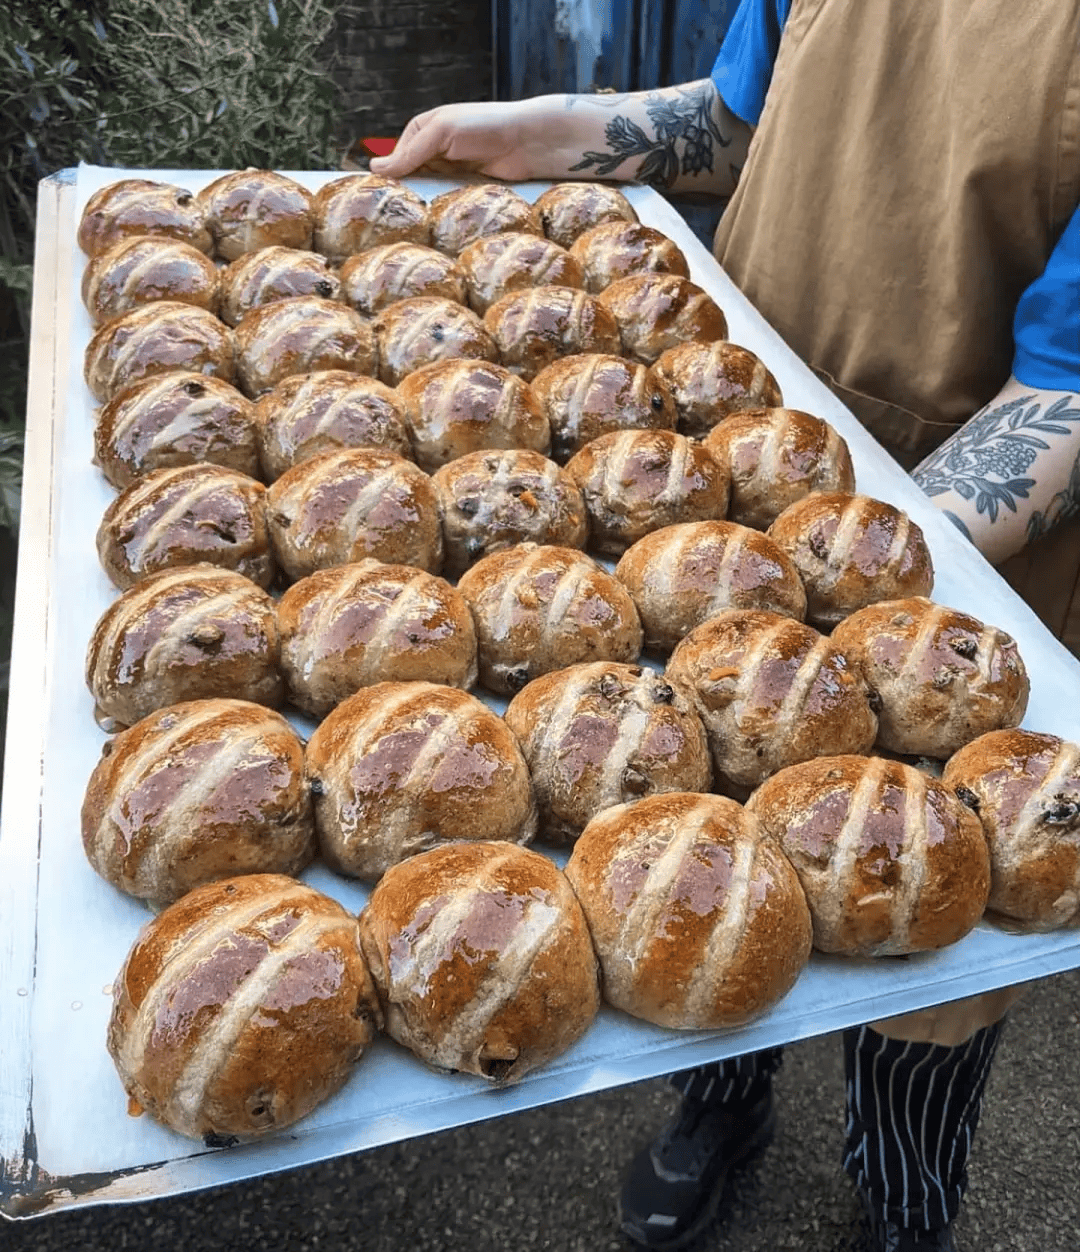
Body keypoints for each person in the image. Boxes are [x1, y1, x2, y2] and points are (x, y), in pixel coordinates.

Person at [369, 3, 1080, 1249]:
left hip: (950, 557)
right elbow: (736, 120)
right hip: (721, 439)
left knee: (927, 931)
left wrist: (845, 573)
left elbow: (1070, 391)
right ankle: (724, 1094)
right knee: (695, 899)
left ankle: (905, 1189)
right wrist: (553, 129)